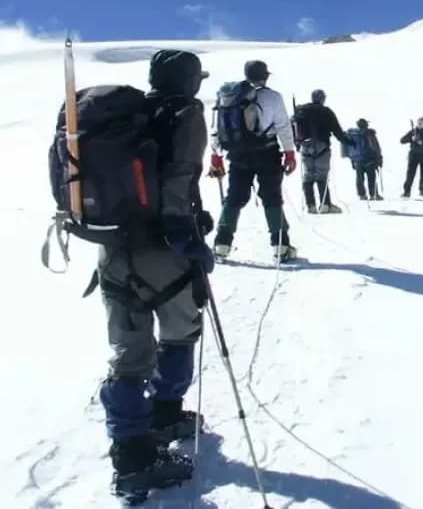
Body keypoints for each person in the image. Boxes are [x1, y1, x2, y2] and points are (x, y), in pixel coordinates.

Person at [96, 50, 215, 500]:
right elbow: (179, 177)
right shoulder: (185, 112)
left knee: (128, 353)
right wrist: (187, 239)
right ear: (188, 81)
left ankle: (131, 458)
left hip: (113, 246)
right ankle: (165, 415)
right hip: (162, 249)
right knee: (180, 332)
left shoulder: (128, 116)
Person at [208, 60, 298, 262]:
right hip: (267, 153)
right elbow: (283, 126)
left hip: (238, 154)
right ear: (265, 76)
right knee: (271, 196)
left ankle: (222, 244)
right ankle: (280, 246)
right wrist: (290, 153)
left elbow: (218, 128)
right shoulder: (272, 97)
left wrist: (216, 156)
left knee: (234, 197)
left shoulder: (228, 96)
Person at [294, 88, 352, 214]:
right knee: (322, 175)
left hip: (305, 145)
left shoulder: (300, 110)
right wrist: (348, 142)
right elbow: (337, 131)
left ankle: (311, 206)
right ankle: (325, 205)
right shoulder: (326, 111)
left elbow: (292, 126)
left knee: (308, 175)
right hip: (322, 146)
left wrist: (296, 143)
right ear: (322, 99)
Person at [345, 118, 384, 200]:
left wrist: (352, 160)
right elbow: (375, 147)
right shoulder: (370, 134)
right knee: (371, 177)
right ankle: (373, 194)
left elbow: (350, 148)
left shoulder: (353, 134)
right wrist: (379, 159)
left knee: (359, 178)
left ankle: (362, 195)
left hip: (357, 159)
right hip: (369, 159)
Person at [400, 116, 423, 197]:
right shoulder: (412, 132)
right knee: (410, 174)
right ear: (417, 123)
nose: (420, 124)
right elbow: (402, 140)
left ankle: (422, 190)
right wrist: (411, 139)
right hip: (414, 156)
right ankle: (407, 192)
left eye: (422, 123)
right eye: (419, 122)